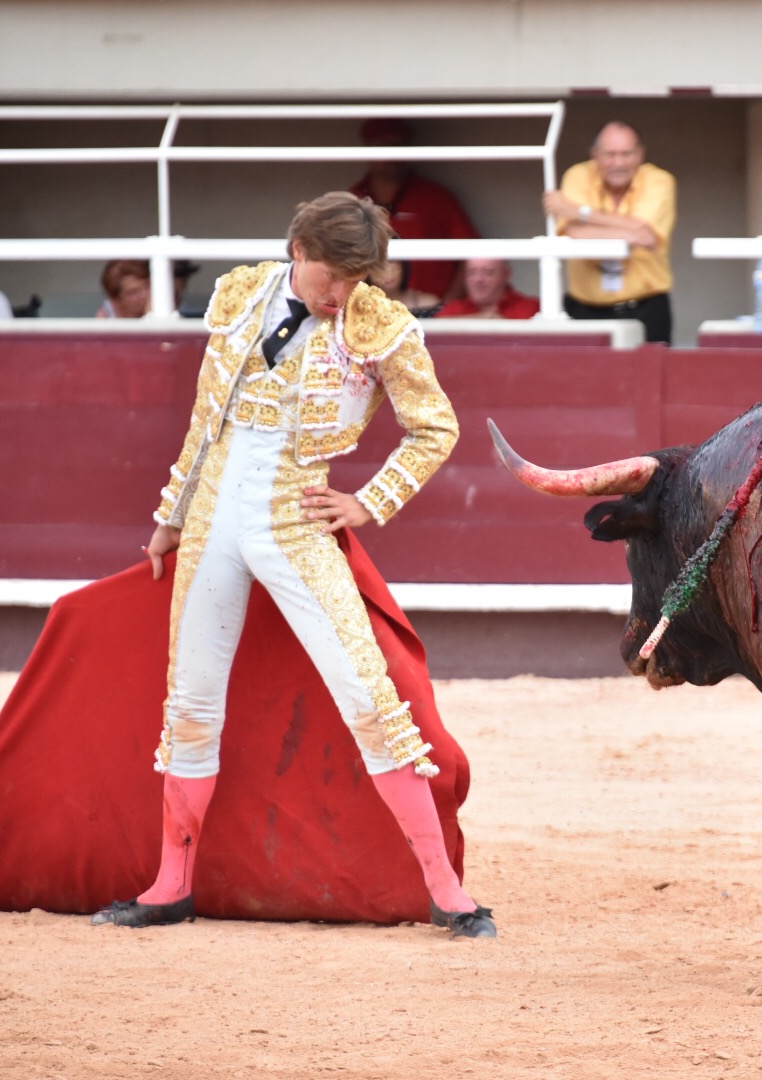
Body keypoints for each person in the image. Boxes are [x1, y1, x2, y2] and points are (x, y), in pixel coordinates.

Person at [93, 191, 494, 937]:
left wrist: (370, 502)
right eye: (333, 278)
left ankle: (446, 892)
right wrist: (169, 517)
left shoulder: (380, 322)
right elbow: (203, 423)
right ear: (298, 253)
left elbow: (435, 428)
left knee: (370, 698)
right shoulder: (241, 294)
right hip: (213, 516)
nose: (343, 296)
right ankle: (169, 884)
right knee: (191, 702)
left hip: (295, 520)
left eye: (357, 280)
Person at [544, 121, 677, 344]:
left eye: (627, 154)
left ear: (641, 155)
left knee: (648, 377)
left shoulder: (659, 180)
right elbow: (573, 233)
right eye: (610, 155)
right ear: (595, 155)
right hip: (584, 311)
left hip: (646, 308)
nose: (619, 163)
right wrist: (631, 231)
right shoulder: (578, 176)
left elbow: (647, 236)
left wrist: (581, 212)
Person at [348, 118, 479, 300]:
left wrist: (446, 308)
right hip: (367, 313)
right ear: (368, 149)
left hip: (429, 313)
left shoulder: (436, 197)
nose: (393, 154)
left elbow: (473, 252)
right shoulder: (352, 201)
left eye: (400, 146)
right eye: (385, 146)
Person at [437, 258, 540, 319]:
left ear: (506, 274)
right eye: (472, 272)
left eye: (488, 272)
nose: (478, 279)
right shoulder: (452, 310)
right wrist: (482, 320)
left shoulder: (531, 309)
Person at [368, 259, 441, 317]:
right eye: (378, 265)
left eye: (391, 261)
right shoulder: (362, 308)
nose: (388, 271)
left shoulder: (429, 305)